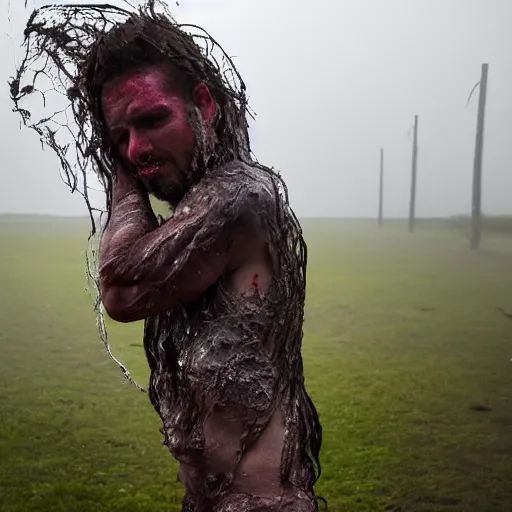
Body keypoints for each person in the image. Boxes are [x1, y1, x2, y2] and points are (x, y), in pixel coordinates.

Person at [10, 2, 323, 511]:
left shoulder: (242, 197)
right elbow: (123, 287)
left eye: (152, 120)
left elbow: (120, 283)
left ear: (204, 104)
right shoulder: (199, 211)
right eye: (120, 140)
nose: (137, 150)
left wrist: (120, 176)